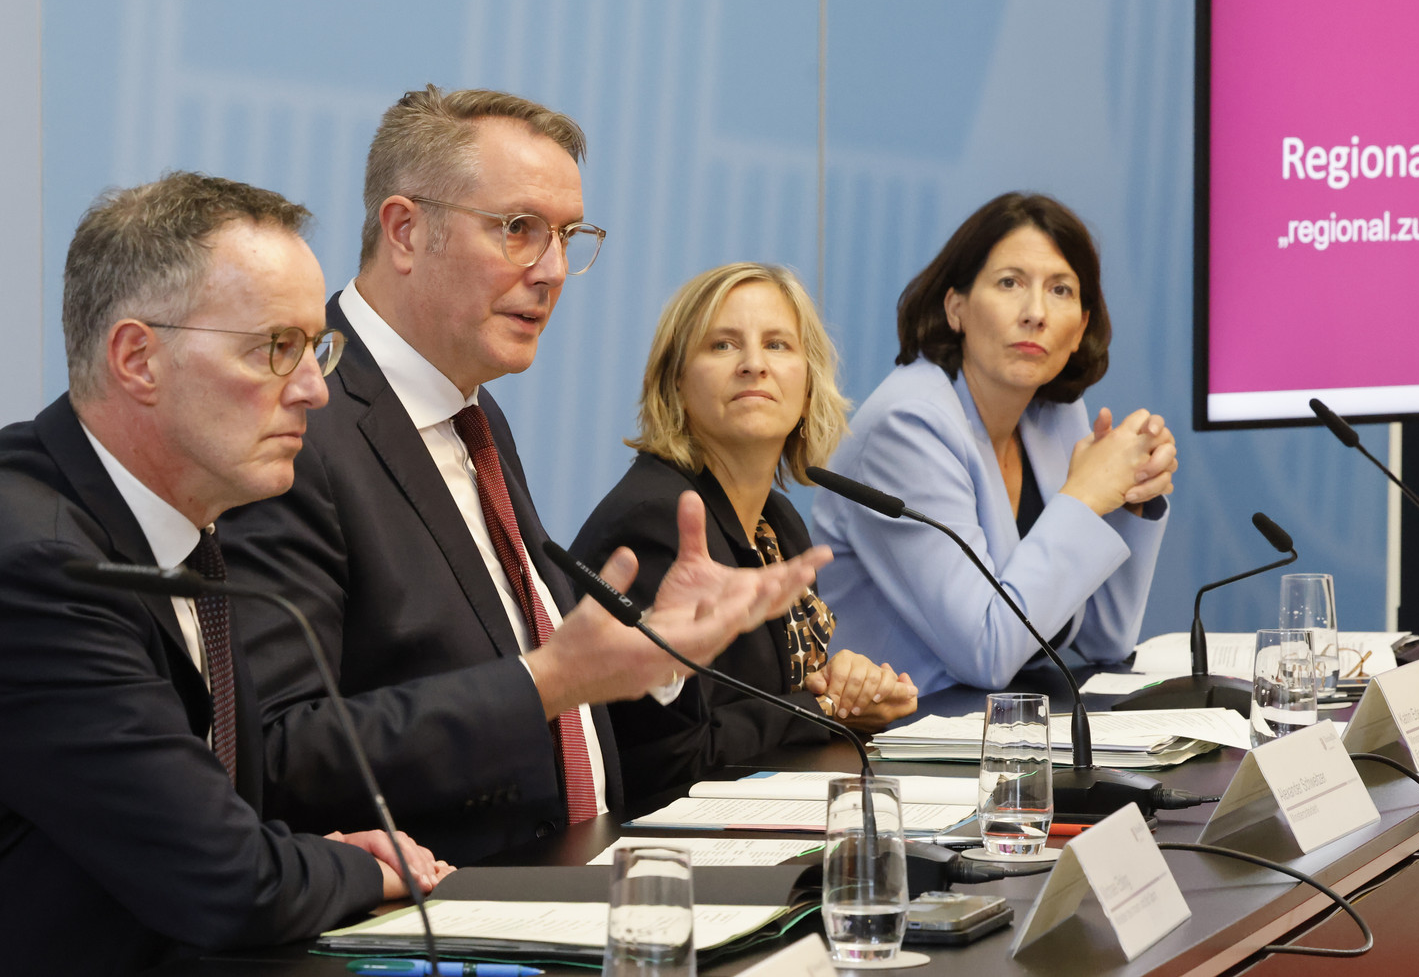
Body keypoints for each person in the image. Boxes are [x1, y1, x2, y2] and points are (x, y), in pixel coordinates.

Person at [219, 87, 828, 864]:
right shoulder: (301, 420)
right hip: (437, 911)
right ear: (404, 230)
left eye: (568, 236)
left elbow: (574, 713)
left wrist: (656, 656)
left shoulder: (476, 416)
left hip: (579, 879)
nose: (553, 271)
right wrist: (541, 681)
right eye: (519, 230)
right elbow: (280, 751)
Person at [0, 173, 452, 971]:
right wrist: (364, 867)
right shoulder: (41, 566)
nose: (314, 388)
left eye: (318, 348)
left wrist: (294, 856)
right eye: (277, 348)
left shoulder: (187, 525)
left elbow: (223, 836)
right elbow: (229, 882)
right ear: (139, 358)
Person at [569, 264, 918, 797]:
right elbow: (670, 757)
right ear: (676, 384)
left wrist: (852, 690)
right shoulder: (656, 522)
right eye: (723, 345)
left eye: (778, 345)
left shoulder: (779, 523)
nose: (754, 365)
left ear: (807, 388)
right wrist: (826, 708)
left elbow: (781, 704)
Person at [813, 192, 1175, 694]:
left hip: (998, 728)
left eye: (1061, 291)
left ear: (1081, 328)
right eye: (1010, 283)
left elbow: (1103, 638)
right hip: (896, 736)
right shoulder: (908, 425)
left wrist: (1129, 500)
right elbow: (986, 652)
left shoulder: (1054, 414)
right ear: (956, 307)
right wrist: (1087, 495)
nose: (1035, 313)